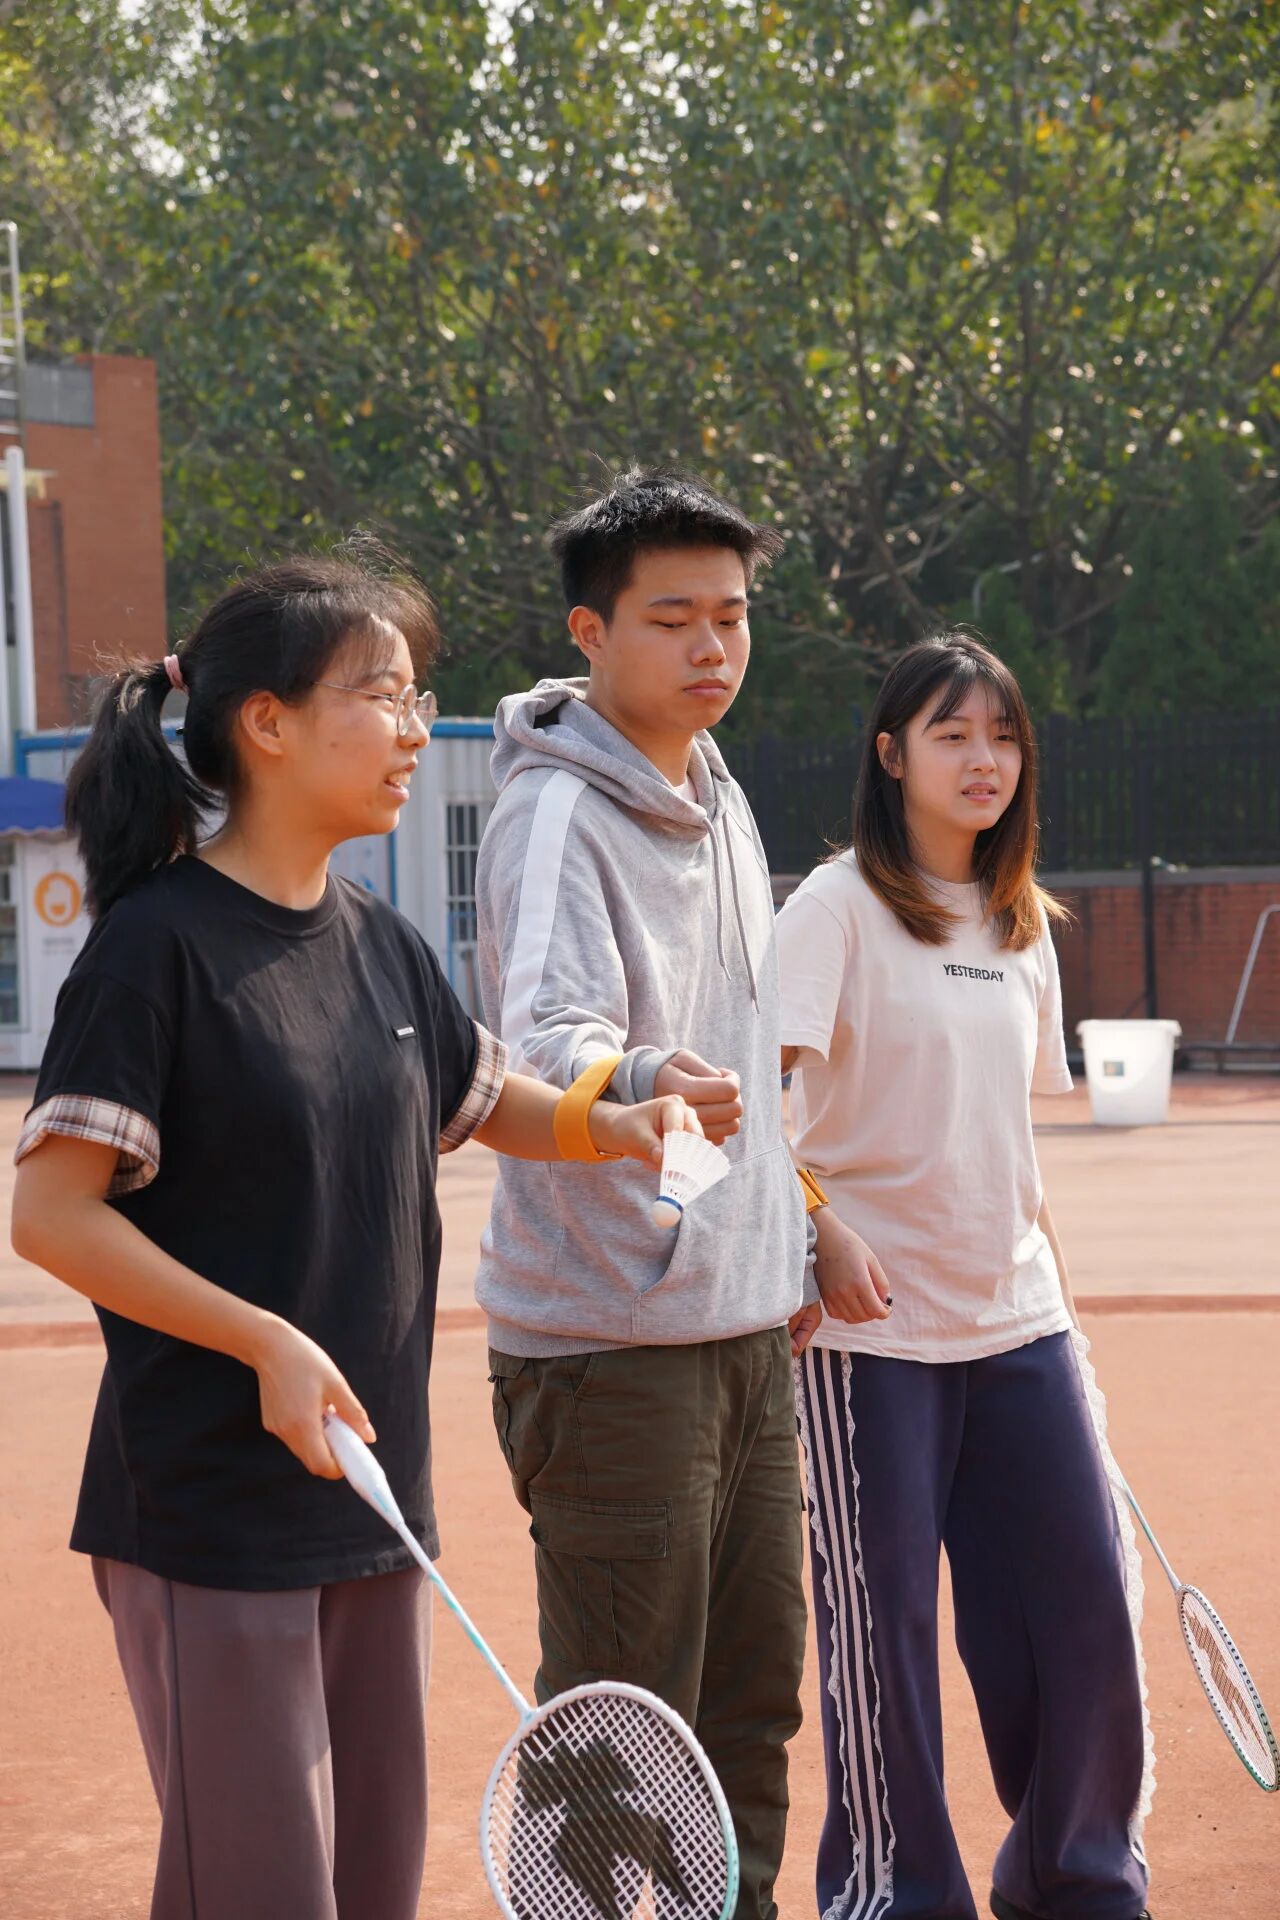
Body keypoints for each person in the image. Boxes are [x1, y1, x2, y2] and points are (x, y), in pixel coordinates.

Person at [9, 544, 696, 1920]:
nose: (413, 728)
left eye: (416, 694)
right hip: (210, 1508)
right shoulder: (152, 952)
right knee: (260, 1892)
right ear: (266, 723)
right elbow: (50, 1213)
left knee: (371, 1883)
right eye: (382, 695)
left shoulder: (379, 940)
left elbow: (482, 1098)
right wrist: (262, 1341)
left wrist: (614, 1123)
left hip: (377, 1498)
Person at [473, 466, 829, 1920]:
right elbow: (545, 1039)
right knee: (624, 1745)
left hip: (743, 1330)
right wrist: (639, 1087)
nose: (710, 646)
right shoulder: (558, 809)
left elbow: (741, 1055)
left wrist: (790, 1234)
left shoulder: (719, 791)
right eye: (672, 618)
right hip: (611, 1350)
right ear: (591, 631)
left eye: (730, 616)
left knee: (749, 1712)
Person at [776, 631, 1153, 1920]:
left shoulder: (1020, 922)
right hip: (870, 1337)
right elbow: (751, 1113)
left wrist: (1063, 1321)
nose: (984, 759)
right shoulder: (832, 909)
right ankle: (898, 1892)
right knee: (882, 1637)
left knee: (1080, 1611)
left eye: (1003, 737)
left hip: (1019, 1322)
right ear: (892, 756)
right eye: (952, 734)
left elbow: (1009, 1146)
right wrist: (817, 1228)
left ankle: (1075, 1877)